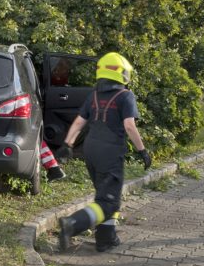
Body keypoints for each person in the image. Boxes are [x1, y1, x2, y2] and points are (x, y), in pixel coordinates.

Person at [57, 52, 151, 253]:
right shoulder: (126, 96)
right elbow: (129, 126)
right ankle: (72, 224)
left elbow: (79, 122)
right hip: (109, 153)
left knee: (105, 195)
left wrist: (68, 144)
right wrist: (142, 151)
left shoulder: (93, 96)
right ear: (123, 74)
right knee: (108, 202)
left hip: (91, 151)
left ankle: (105, 239)